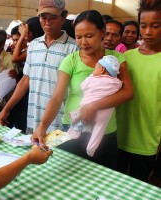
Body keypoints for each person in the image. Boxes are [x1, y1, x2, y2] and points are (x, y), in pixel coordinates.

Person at [32, 10, 133, 170]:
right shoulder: (70, 61)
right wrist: (42, 126)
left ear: (102, 33)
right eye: (79, 37)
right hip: (73, 130)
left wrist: (93, 107)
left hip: (104, 133)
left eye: (89, 36)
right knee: (71, 179)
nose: (83, 42)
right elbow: (57, 97)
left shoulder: (115, 59)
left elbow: (127, 92)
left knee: (104, 179)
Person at [0, 0, 78, 134]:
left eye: (53, 18)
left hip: (60, 121)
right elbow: (25, 81)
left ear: (63, 18)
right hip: (34, 117)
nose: (47, 22)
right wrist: (7, 109)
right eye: (43, 18)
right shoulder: (34, 45)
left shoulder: (74, 48)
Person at [116, 0, 161, 182]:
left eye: (156, 26)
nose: (148, 32)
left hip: (147, 139)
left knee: (138, 186)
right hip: (118, 136)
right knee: (113, 184)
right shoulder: (126, 57)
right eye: (144, 26)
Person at [67, 55, 122, 157]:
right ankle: (91, 148)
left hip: (87, 109)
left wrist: (90, 77)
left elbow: (83, 86)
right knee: (99, 131)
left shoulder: (92, 80)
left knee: (77, 117)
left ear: (102, 69)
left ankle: (75, 131)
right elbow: (118, 90)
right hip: (105, 113)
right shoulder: (116, 83)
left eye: (95, 67)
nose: (93, 70)